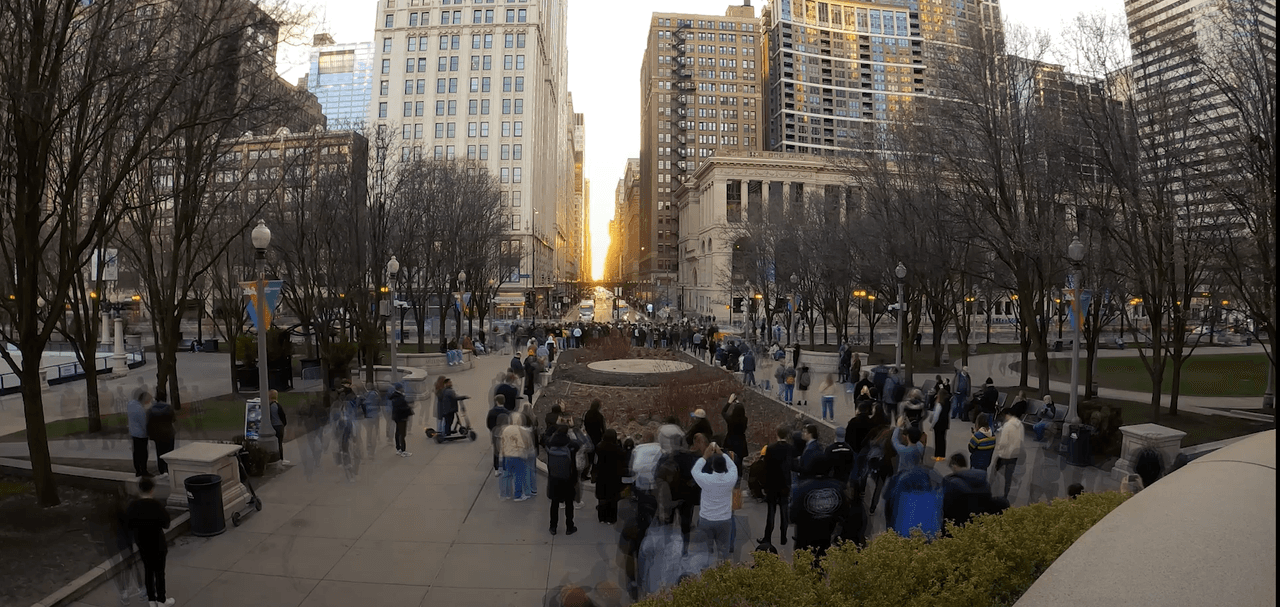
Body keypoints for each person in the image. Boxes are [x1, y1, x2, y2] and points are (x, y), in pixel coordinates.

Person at [789, 455, 849, 561]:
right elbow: (844, 513)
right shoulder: (838, 488)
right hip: (826, 536)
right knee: (821, 565)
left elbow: (793, 516)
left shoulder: (801, 488)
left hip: (804, 537)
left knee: (803, 567)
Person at [126, 476, 173, 606]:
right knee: (159, 572)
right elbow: (166, 523)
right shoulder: (156, 505)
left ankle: (151, 600)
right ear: (152, 489)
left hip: (142, 543)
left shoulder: (133, 506)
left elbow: (128, 525)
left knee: (148, 571)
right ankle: (162, 600)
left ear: (139, 489)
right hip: (157, 543)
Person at [691, 442, 739, 563]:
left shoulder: (706, 479)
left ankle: (706, 575)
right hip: (724, 520)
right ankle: (722, 576)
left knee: (705, 552)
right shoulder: (731, 478)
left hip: (706, 519)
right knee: (724, 552)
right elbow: (733, 466)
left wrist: (704, 456)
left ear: (712, 466)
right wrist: (721, 453)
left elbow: (695, 470)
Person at [757, 426, 794, 547]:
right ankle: (783, 537)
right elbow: (791, 465)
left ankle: (768, 537)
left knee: (771, 512)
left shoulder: (771, 448)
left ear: (777, 434)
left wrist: (764, 484)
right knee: (784, 511)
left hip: (772, 484)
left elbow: (765, 468)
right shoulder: (790, 448)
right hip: (784, 484)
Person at [545, 424, 582, 535]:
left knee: (554, 504)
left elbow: (544, 437)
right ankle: (569, 527)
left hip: (554, 478)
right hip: (568, 479)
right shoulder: (571, 445)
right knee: (569, 504)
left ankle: (553, 527)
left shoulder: (550, 444)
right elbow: (580, 443)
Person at [942, 453, 995, 528]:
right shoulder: (984, 482)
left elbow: (946, 507)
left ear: (954, 466)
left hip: (958, 525)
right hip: (979, 524)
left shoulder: (952, 483)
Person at [593, 429, 626, 523]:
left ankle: (602, 517)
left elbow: (595, 461)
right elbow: (623, 460)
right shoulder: (618, 449)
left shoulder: (599, 447)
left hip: (601, 476)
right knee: (612, 498)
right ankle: (611, 519)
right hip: (613, 477)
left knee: (602, 497)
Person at [993, 410, 1024, 500]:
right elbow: (1021, 439)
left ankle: (994, 488)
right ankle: (1006, 493)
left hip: (1005, 453)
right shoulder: (1020, 425)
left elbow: (1003, 442)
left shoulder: (1007, 426)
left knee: (996, 470)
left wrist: (998, 448)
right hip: (1015, 453)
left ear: (1007, 415)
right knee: (1008, 475)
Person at [146, 388, 176, 477]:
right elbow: (173, 420)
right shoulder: (169, 408)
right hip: (169, 433)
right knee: (169, 452)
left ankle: (162, 471)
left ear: (156, 398)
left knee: (160, 453)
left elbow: (149, 424)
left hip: (158, 434)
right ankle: (169, 470)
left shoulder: (151, 410)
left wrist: (150, 436)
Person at [721, 395, 748, 475]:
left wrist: (729, 402)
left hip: (730, 441)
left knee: (729, 459)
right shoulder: (745, 419)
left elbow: (723, 412)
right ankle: (739, 475)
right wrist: (737, 402)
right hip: (741, 442)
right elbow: (740, 409)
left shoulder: (730, 419)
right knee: (740, 461)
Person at [128, 388, 151, 477]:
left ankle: (138, 470)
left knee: (136, 453)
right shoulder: (140, 410)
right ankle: (144, 470)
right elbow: (143, 424)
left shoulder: (131, 404)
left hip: (133, 433)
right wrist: (148, 433)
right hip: (141, 435)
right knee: (143, 453)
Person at [487, 395, 511, 478]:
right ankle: (505, 469)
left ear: (496, 401)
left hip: (495, 433)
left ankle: (496, 469)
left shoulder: (491, 412)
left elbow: (488, 424)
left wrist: (492, 430)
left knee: (496, 451)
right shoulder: (507, 412)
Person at [264, 389, 290, 466]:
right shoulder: (277, 406)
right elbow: (283, 416)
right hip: (279, 426)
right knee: (279, 443)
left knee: (277, 443)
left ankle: (277, 458)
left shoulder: (269, 406)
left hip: (273, 426)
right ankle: (281, 458)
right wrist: (284, 424)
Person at [583, 400, 606, 480]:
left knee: (588, 457)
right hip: (597, 438)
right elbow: (603, 428)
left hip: (588, 437)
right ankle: (594, 476)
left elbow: (585, 424)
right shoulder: (599, 416)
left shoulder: (587, 414)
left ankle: (584, 474)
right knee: (596, 458)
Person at [931, 386, 951, 462]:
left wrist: (932, 425)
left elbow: (936, 416)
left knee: (937, 440)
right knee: (943, 440)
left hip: (938, 424)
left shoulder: (939, 404)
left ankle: (937, 455)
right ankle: (942, 455)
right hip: (945, 423)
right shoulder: (947, 403)